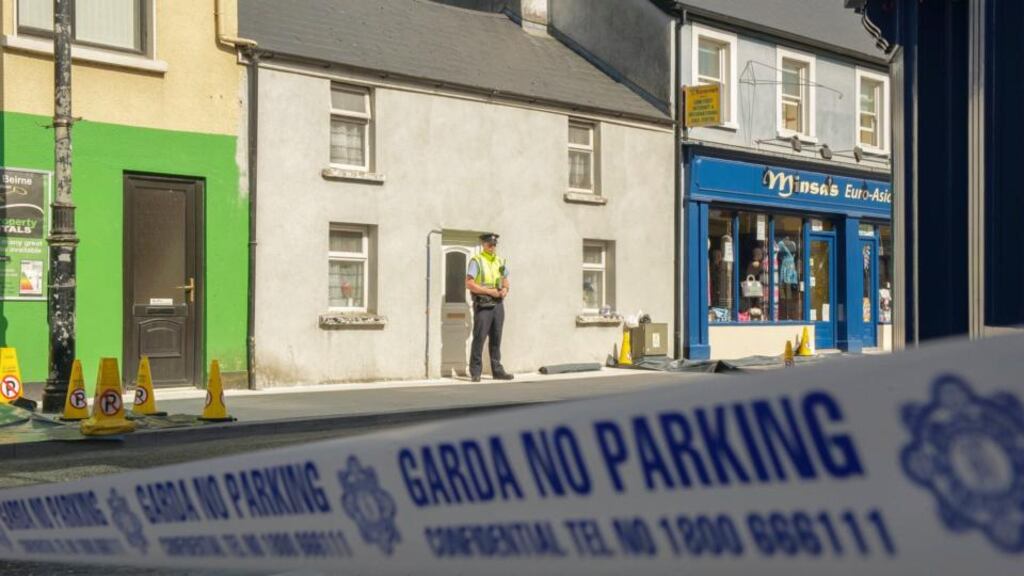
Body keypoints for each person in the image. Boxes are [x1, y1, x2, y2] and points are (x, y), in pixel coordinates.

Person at [466, 233, 514, 382]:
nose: (492, 247)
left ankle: (497, 370)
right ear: (483, 244)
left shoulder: (500, 261)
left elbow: (506, 282)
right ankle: (476, 372)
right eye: (489, 244)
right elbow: (469, 283)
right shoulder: (477, 261)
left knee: (496, 338)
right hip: (483, 304)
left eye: (494, 245)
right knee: (479, 338)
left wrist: (505, 290)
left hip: (498, 304)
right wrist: (489, 291)